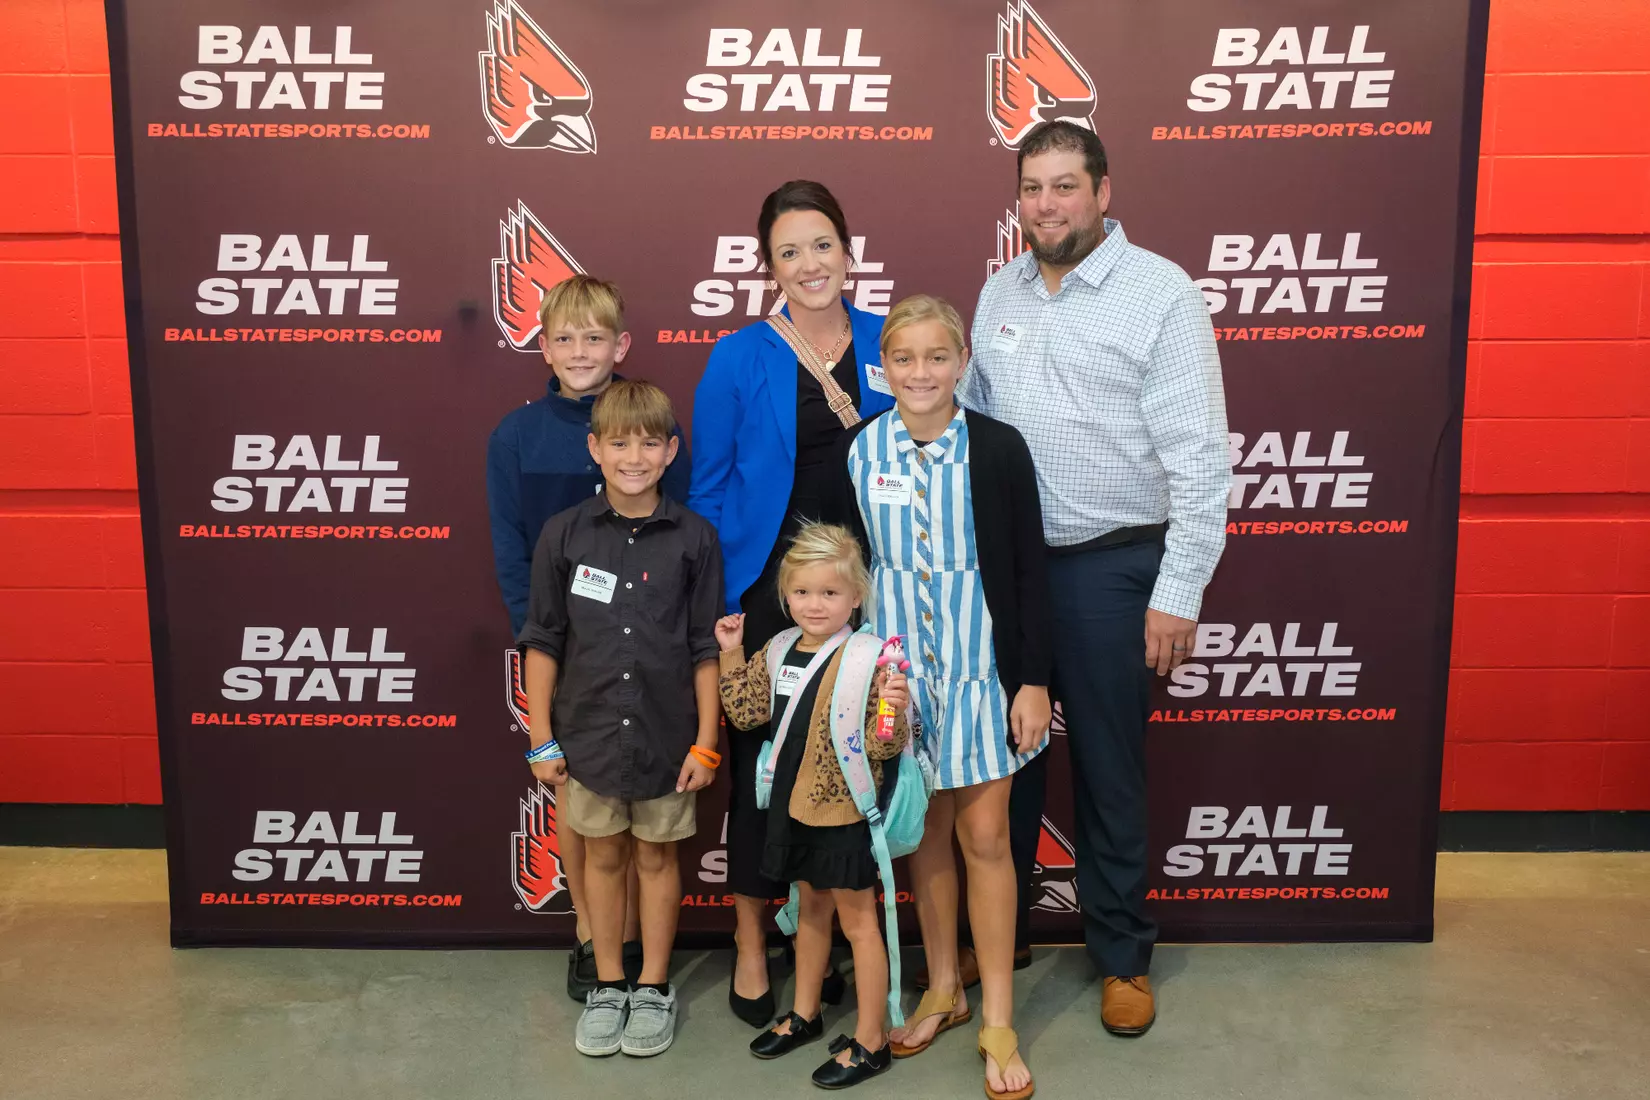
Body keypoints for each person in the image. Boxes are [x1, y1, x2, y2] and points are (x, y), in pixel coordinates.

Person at [962, 120, 1231, 1037]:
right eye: (1033, 187)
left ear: (1103, 192)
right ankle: (1008, 934)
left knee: (1110, 772)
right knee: (1007, 766)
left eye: (1065, 186)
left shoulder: (1159, 294)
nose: (1047, 204)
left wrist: (1176, 589)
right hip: (1011, 571)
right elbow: (969, 435)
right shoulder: (998, 291)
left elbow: (1199, 459)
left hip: (1115, 567)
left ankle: (1121, 955)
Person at [830, 295, 1050, 1100]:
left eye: (936, 357)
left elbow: (1028, 571)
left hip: (982, 669)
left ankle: (998, 1016)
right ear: (881, 370)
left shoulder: (995, 450)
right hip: (899, 680)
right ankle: (943, 990)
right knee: (923, 834)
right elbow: (844, 567)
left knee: (986, 834)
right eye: (904, 360)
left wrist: (1033, 678)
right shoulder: (860, 450)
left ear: (961, 363)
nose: (919, 373)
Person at [688, 180, 896, 1026]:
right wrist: (721, 602)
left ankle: (834, 935)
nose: (810, 265)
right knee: (759, 769)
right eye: (789, 251)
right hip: (772, 591)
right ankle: (749, 942)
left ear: (849, 251)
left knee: (847, 769)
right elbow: (706, 490)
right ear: (767, 265)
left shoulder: (894, 339)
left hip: (869, 586)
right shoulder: (739, 355)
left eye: (822, 246)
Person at [487, 274, 690, 999]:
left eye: (594, 337)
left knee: (641, 799)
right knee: (578, 796)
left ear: (621, 345)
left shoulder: (648, 422)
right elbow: (512, 546)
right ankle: (589, 936)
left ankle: (634, 943)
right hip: (563, 648)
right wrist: (537, 635)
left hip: (642, 646)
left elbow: (678, 534)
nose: (580, 351)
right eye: (565, 338)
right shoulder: (516, 435)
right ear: (543, 346)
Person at [516, 380, 724, 1058]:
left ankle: (654, 987)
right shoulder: (563, 535)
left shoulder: (695, 539)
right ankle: (609, 983)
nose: (633, 456)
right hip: (589, 735)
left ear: (669, 453)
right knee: (602, 857)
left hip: (667, 739)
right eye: (618, 442)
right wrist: (540, 736)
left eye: (647, 443)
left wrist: (706, 741)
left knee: (659, 858)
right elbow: (543, 640)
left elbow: (704, 649)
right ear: (595, 449)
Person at [715, 523, 911, 1089]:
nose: (815, 604)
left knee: (860, 925)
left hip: (846, 813)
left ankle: (872, 1040)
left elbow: (882, 746)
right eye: (802, 592)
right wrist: (731, 656)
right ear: (786, 593)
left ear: (855, 597)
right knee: (809, 912)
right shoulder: (777, 648)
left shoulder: (869, 657)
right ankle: (805, 1013)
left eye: (830, 593)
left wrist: (892, 708)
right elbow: (747, 712)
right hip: (791, 807)